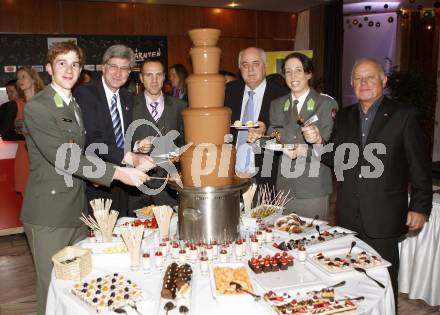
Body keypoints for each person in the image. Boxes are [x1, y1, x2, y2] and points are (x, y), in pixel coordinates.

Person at [21, 42, 154, 315]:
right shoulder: (39, 107)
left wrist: (99, 175)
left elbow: (82, 153)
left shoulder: (73, 105)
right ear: (48, 68)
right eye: (61, 63)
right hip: (49, 214)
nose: (68, 69)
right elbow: (64, 157)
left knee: (76, 287)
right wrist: (118, 172)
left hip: (77, 210)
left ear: (81, 70)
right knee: (51, 290)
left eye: (74, 64)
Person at [302, 57, 432, 305]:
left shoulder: (404, 115)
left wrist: (419, 206)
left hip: (384, 215)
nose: (364, 82)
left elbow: (419, 165)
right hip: (349, 214)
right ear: (351, 84)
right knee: (351, 275)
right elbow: (337, 158)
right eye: (358, 78)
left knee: (383, 280)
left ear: (384, 80)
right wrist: (318, 142)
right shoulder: (344, 116)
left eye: (370, 77)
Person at [74, 44, 145, 217]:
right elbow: (94, 140)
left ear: (129, 73)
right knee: (99, 237)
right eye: (113, 66)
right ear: (104, 67)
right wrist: (130, 157)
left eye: (124, 68)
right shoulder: (86, 93)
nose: (118, 73)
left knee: (122, 231)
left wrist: (137, 146)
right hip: (97, 180)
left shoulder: (127, 98)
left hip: (123, 181)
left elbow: (120, 136)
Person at [267, 53, 338, 220]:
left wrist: (304, 150)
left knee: (313, 239)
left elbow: (328, 147)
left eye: (298, 70)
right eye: (288, 71)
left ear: (309, 74)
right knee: (284, 238)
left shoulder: (325, 104)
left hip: (312, 187)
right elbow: (274, 133)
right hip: (285, 187)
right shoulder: (277, 105)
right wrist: (280, 145)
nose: (293, 76)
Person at [225, 47, 288, 186]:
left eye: (256, 64)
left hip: (266, 175)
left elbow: (285, 134)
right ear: (239, 68)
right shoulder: (229, 91)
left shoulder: (281, 95)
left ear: (265, 67)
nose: (250, 69)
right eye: (245, 65)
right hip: (231, 175)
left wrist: (267, 132)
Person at [130, 58, 186, 208]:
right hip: (137, 186)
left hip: (169, 186)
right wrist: (136, 146)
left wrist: (178, 153)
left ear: (164, 76)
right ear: (141, 78)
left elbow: (185, 142)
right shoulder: (128, 106)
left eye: (158, 75)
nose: (154, 80)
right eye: (149, 75)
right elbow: (119, 141)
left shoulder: (180, 106)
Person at [2, 67, 45, 194]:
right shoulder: (14, 105)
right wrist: (28, 136)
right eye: (18, 77)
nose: (19, 80)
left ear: (33, 78)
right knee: (29, 200)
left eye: (23, 77)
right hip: (25, 156)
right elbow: (6, 134)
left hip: (45, 156)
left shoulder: (46, 103)